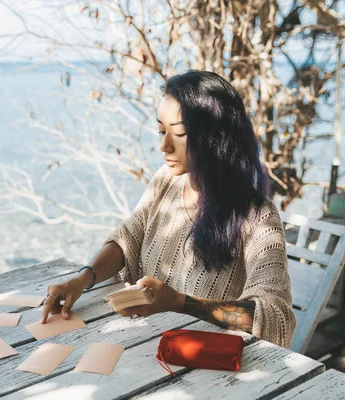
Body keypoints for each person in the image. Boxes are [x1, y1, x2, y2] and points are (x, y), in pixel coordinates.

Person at [40, 70, 296, 348]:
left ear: (215, 137)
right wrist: (82, 279)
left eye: (179, 133)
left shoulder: (257, 217)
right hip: (145, 346)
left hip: (204, 365)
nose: (164, 145)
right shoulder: (167, 180)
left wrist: (179, 303)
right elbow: (129, 237)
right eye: (161, 130)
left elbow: (274, 316)